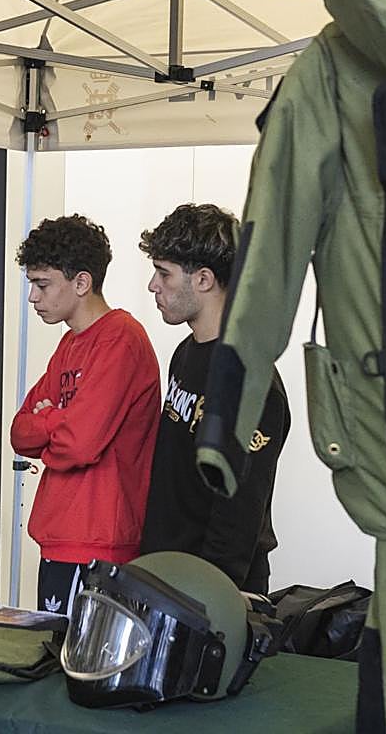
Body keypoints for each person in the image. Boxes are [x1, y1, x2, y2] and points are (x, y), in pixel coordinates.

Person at [9, 214, 160, 615]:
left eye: (42, 284)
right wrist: (61, 419)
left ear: (81, 283)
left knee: (85, 668)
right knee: (57, 658)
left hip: (100, 542)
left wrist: (54, 421)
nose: (33, 298)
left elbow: (79, 445)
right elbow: (20, 433)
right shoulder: (70, 345)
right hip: (60, 537)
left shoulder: (122, 339)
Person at [138, 203, 290, 595]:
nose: (153, 286)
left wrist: (207, 600)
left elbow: (237, 516)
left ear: (203, 279)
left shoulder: (248, 381)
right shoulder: (185, 353)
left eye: (164, 273)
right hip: (164, 571)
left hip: (210, 592)